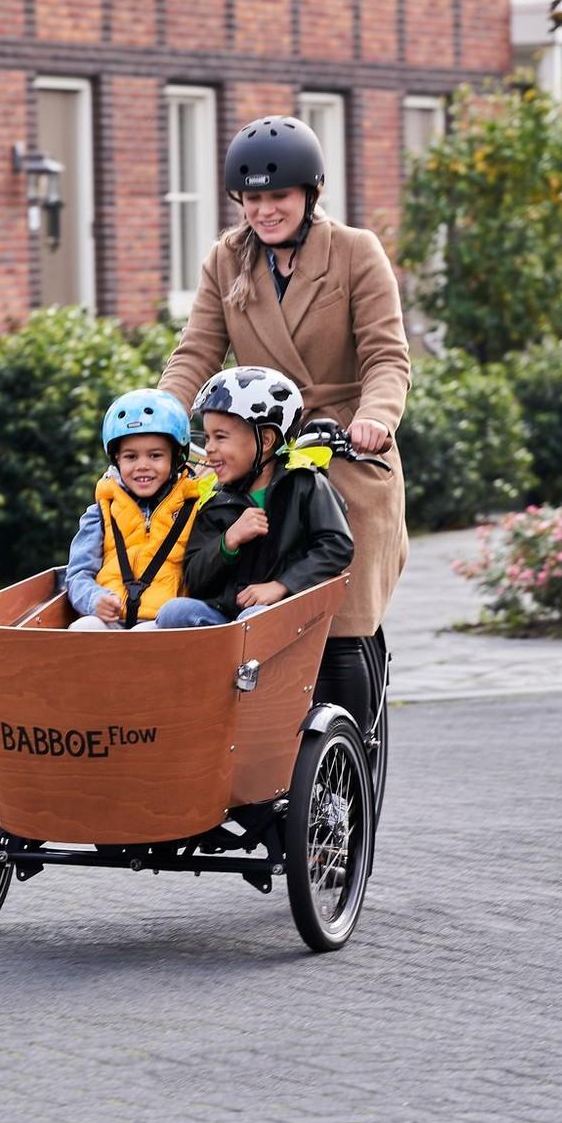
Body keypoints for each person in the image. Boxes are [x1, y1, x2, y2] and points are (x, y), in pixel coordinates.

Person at [157, 114, 409, 729]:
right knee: (225, 585)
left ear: (309, 194)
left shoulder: (355, 252)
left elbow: (386, 355)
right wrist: (158, 421)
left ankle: (353, 757)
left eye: (279, 197)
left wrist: (374, 418)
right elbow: (197, 350)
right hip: (260, 448)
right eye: (253, 199)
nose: (265, 211)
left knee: (343, 611)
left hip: (344, 448)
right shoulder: (227, 259)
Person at [157, 366, 353, 628]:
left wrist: (282, 585)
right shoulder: (214, 500)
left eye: (221, 437)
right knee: (174, 612)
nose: (210, 448)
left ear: (266, 439)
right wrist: (228, 541)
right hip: (225, 618)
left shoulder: (304, 484)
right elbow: (194, 577)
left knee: (256, 619)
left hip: (283, 612)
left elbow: (336, 545)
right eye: (207, 437)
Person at [63, 389, 205, 630]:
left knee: (142, 635)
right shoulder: (101, 511)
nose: (142, 466)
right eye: (131, 457)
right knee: (84, 628)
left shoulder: (194, 508)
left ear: (176, 457)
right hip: (112, 619)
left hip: (164, 625)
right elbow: (78, 574)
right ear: (117, 459)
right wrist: (94, 599)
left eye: (155, 455)